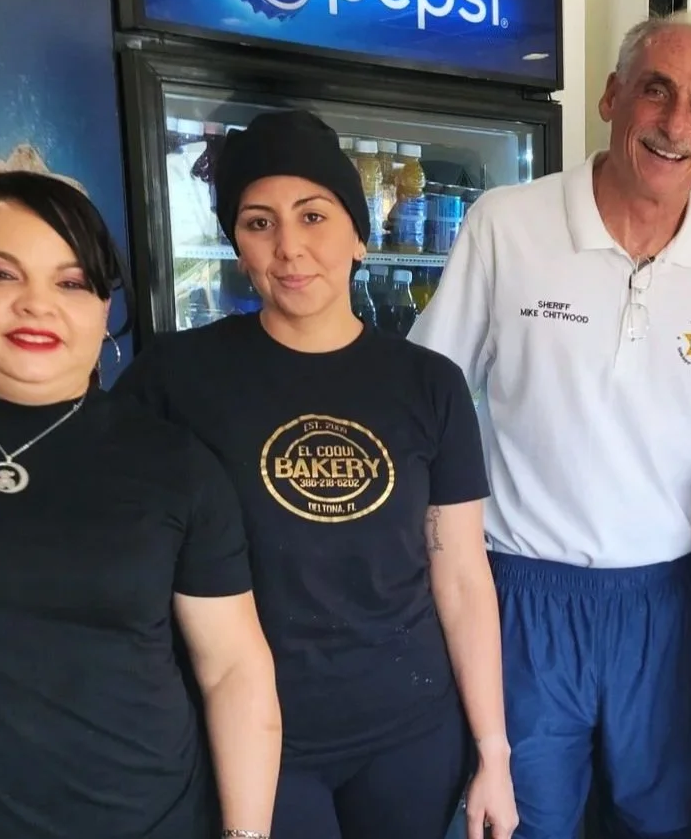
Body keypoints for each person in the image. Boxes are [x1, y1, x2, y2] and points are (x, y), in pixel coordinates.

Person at [408, 10, 691, 839]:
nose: (673, 122)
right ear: (612, 96)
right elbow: (426, 404)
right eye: (655, 90)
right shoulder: (506, 224)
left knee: (666, 821)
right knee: (515, 822)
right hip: (522, 595)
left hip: (673, 601)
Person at [114, 110, 517, 839]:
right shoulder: (176, 378)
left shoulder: (429, 383)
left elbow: (460, 574)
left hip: (410, 729)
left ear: (359, 233)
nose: (290, 248)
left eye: (314, 216)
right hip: (255, 738)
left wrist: (494, 749)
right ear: (236, 241)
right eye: (258, 223)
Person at [0, 170, 280, 838]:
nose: (38, 304)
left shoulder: (174, 466)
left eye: (71, 283)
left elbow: (234, 672)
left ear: (104, 310)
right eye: (0, 274)